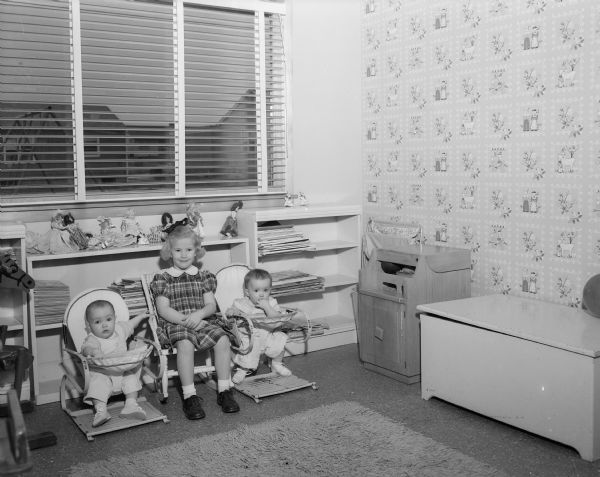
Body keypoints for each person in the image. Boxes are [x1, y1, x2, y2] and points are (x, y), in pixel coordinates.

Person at [150, 225, 239, 419]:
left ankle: (225, 390)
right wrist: (187, 321)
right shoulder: (163, 278)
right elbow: (163, 310)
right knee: (185, 343)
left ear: (196, 251)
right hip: (176, 323)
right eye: (178, 250)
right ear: (169, 251)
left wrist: (198, 316)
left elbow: (210, 306)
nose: (183, 255)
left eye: (189, 250)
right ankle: (190, 396)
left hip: (202, 319)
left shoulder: (203, 276)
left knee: (223, 340)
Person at [81, 300, 149, 427]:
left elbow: (130, 324)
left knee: (131, 378)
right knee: (97, 383)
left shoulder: (119, 329)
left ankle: (131, 405)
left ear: (114, 319)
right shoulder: (93, 338)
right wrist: (93, 351)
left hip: (122, 371)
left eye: (108, 319)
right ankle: (101, 411)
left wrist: (141, 316)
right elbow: (86, 348)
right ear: (89, 326)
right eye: (97, 322)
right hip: (103, 373)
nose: (104, 325)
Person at [229, 268, 292, 384]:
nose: (262, 294)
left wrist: (267, 307)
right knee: (248, 349)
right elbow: (232, 312)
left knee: (280, 339)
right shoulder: (242, 303)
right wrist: (232, 312)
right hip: (250, 336)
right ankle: (243, 369)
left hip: (268, 334)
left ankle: (277, 364)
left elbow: (277, 318)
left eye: (266, 290)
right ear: (247, 292)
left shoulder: (271, 302)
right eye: (257, 290)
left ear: (270, 291)